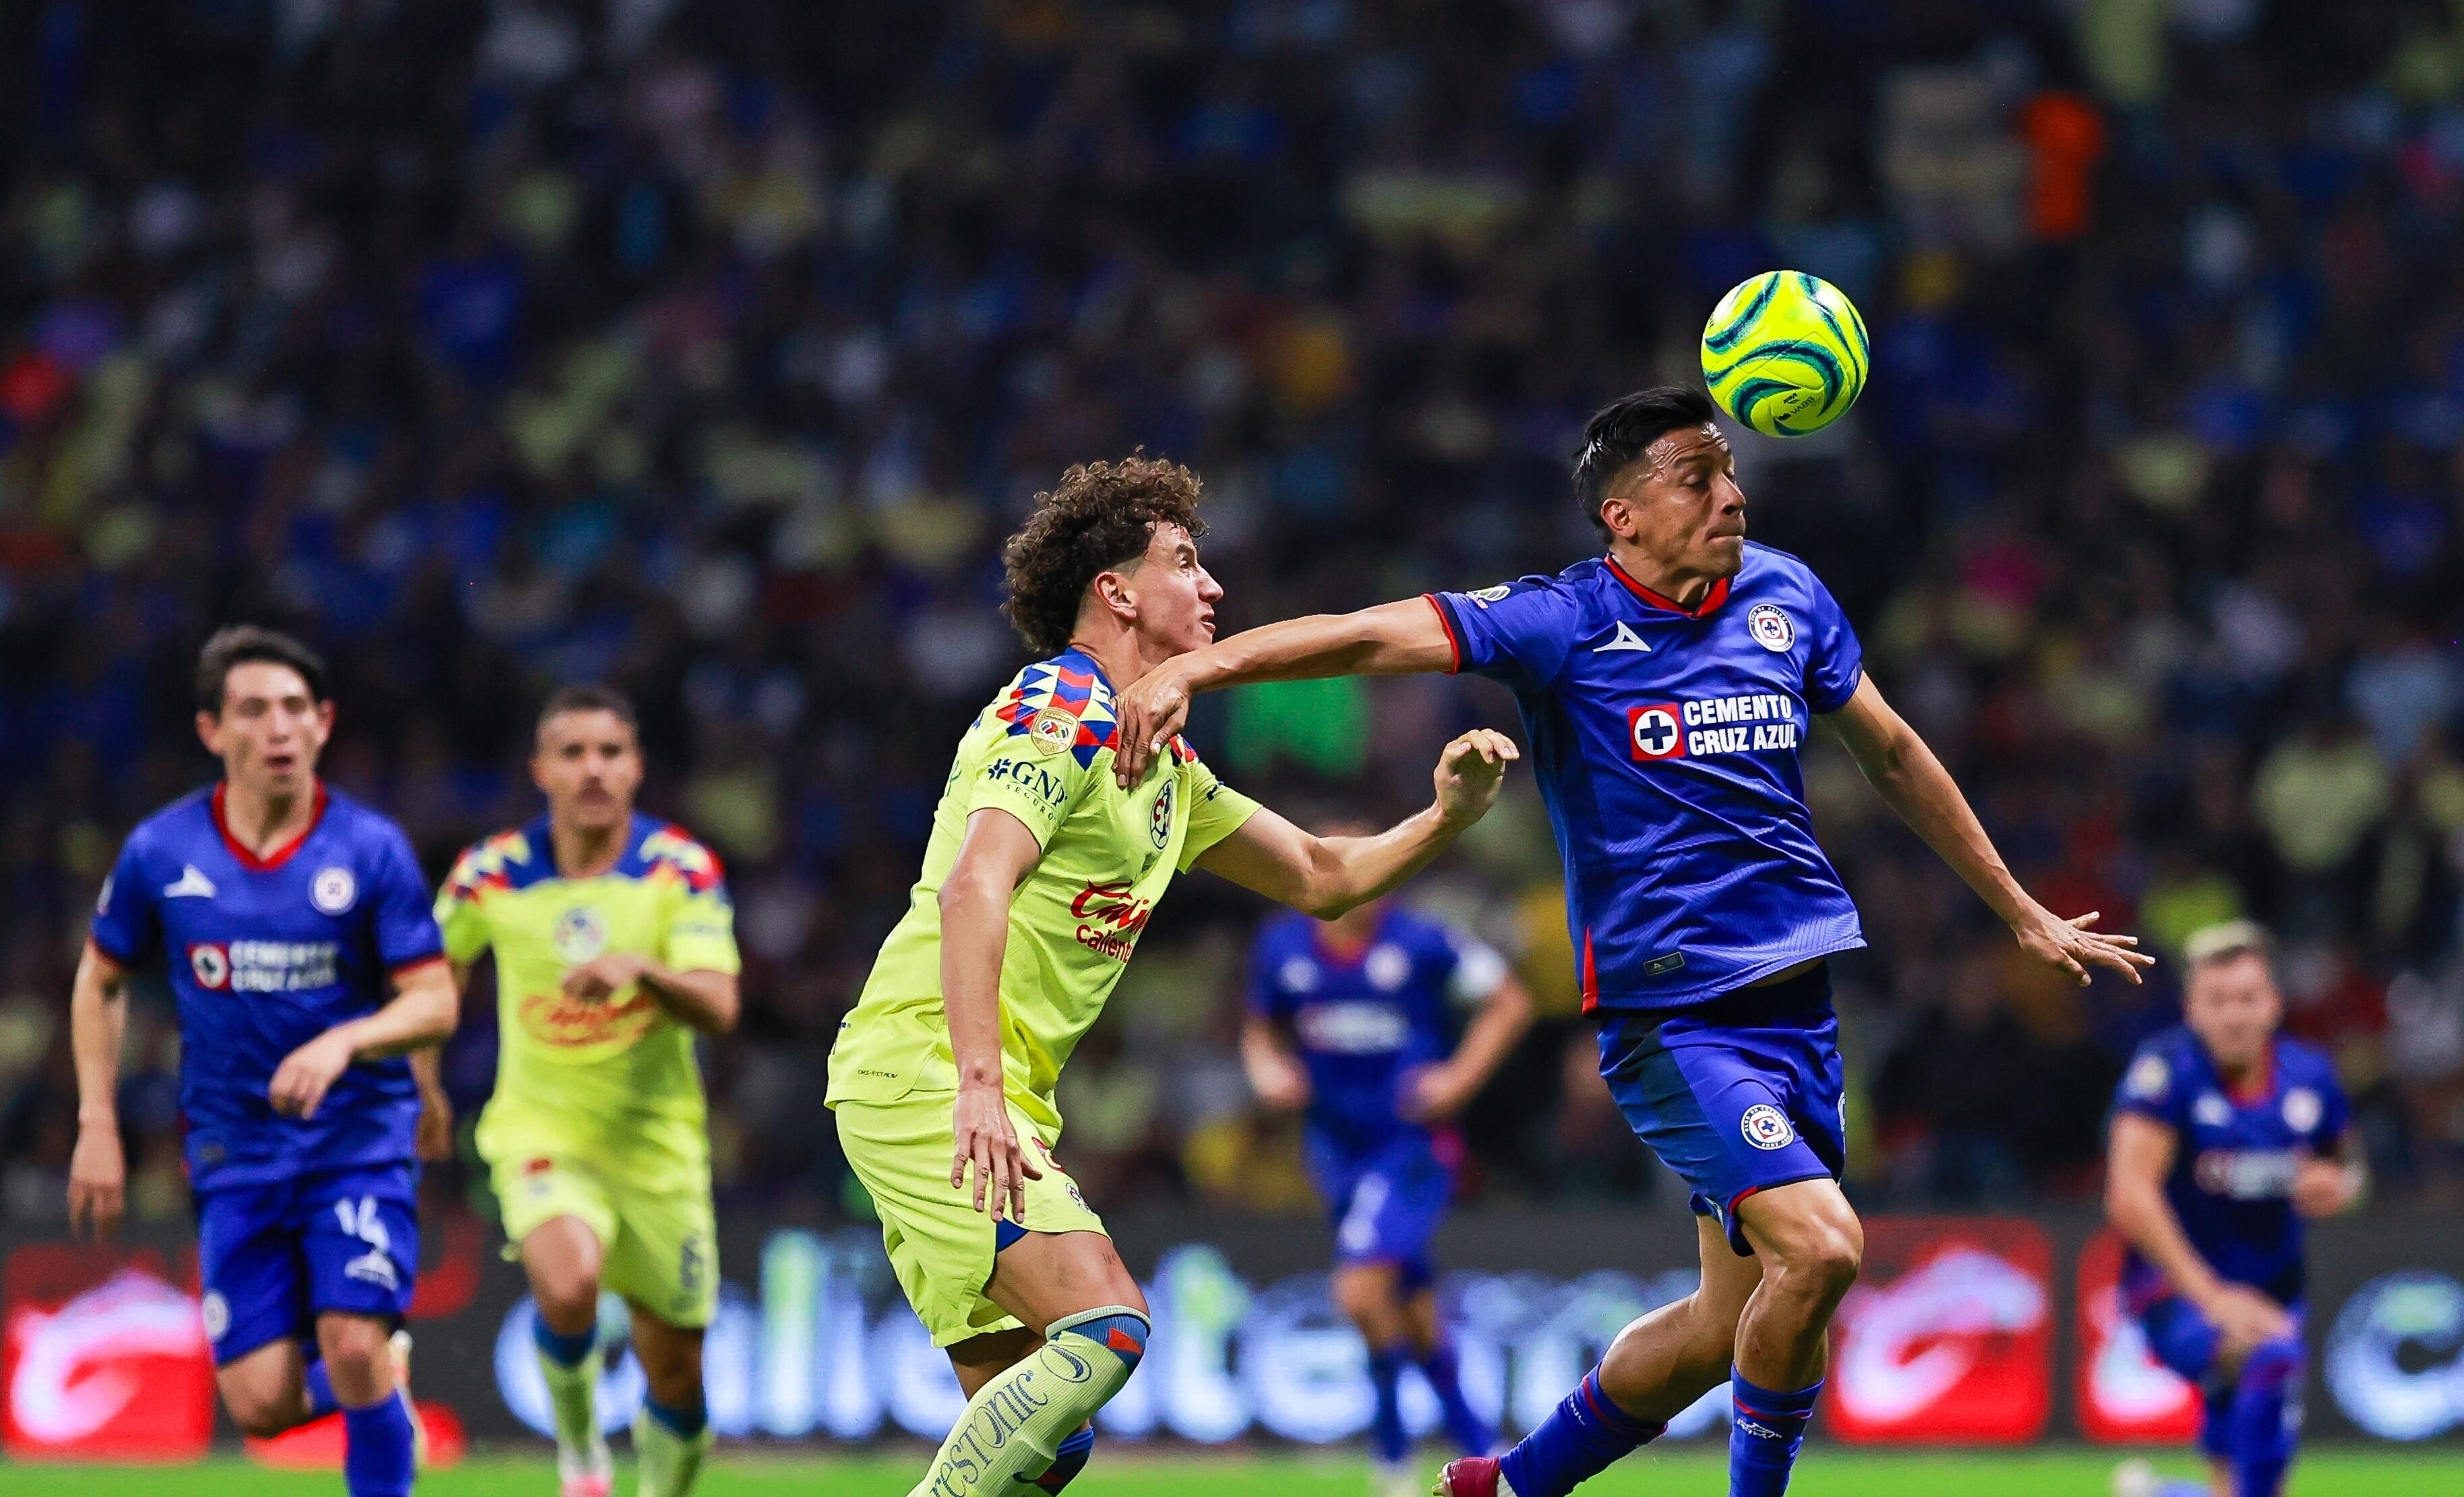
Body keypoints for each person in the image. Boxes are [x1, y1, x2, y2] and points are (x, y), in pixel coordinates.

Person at [1110, 385, 2149, 1497]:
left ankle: (1510, 1485)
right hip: (1674, 1016)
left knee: (1721, 1326)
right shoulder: (1558, 621)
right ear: (1624, 516)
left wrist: (2019, 908)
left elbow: (1891, 754)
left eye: (1731, 472)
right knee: (1825, 1247)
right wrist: (1196, 667)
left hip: (1795, 1009)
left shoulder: (1787, 597)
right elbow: (1370, 635)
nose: (1730, 496)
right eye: (1696, 478)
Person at [824, 455, 1518, 1497]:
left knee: (1041, 1443)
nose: (1213, 588)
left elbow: (1325, 876)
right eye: (1186, 563)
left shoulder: (1168, 767)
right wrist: (975, 1085)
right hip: (932, 1074)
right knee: (1108, 1324)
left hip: (979, 1091)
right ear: (1116, 591)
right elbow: (977, 886)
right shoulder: (1062, 706)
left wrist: (1446, 818)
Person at [66, 626, 458, 1497]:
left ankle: (372, 1384)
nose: (277, 728)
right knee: (263, 1405)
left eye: (294, 709)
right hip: (233, 1150)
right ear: (213, 730)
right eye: (253, 709)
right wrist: (97, 1122)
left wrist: (344, 1040)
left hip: (357, 1137)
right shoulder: (161, 852)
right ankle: (379, 1391)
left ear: (323, 724)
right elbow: (100, 980)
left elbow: (435, 999)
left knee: (350, 1342)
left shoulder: (370, 848)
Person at [432, 686, 742, 1497]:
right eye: (572, 753)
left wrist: (641, 970)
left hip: (657, 1152)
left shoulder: (679, 869)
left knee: (676, 1373)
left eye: (610, 751)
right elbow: (433, 975)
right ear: (541, 770)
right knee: (567, 1285)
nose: (592, 769)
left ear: (637, 766)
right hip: (540, 1133)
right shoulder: (490, 875)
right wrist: (422, 1084)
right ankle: (580, 1454)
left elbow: (720, 1005)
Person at [1242, 886, 1535, 1496]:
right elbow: (1258, 1030)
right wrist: (1268, 1071)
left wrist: (1459, 1078)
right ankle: (1487, 1456)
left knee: (1358, 1291)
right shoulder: (1283, 947)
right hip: (1335, 1152)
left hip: (1411, 1147)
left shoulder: (1423, 940)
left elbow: (1510, 1001)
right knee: (1415, 1316)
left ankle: (1392, 1464)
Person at [2103, 922, 2364, 1497]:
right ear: (2191, 1009)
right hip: (2176, 1293)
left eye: (2247, 999)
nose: (2234, 1016)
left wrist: (2340, 1187)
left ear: (2273, 1004)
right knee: (2267, 1355)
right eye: (2217, 1001)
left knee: (2244, 1482)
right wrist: (2213, 1298)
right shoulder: (2165, 1074)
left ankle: (2159, 1494)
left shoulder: (2311, 1077)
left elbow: (2350, 1172)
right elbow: (2129, 1194)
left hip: (2275, 1289)